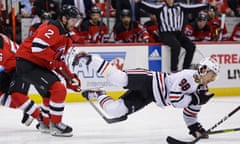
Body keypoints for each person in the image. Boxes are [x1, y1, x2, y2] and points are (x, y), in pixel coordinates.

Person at [73, 52, 220, 138]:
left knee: (114, 111)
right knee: (119, 78)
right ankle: (90, 59)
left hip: (151, 96)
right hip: (149, 80)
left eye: (215, 77)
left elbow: (190, 110)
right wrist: (194, 99)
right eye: (212, 74)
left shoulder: (201, 90)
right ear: (204, 70)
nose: (213, 79)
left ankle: (99, 93)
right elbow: (175, 99)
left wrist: (194, 126)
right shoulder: (191, 77)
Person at [9, 5, 81, 137]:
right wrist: (56, 61)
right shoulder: (53, 28)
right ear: (64, 19)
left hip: (38, 65)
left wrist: (70, 78)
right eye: (72, 20)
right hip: (28, 63)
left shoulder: (66, 37)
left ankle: (45, 123)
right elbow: (37, 48)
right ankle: (56, 125)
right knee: (58, 89)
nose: (75, 24)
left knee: (49, 93)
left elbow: (59, 62)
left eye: (76, 21)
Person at [135, 0, 210, 72]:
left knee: (191, 46)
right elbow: (149, 7)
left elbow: (194, 7)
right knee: (176, 45)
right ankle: (174, 69)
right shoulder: (161, 8)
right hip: (166, 33)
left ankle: (186, 68)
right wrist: (139, 2)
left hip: (178, 33)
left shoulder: (180, 7)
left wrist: (207, 5)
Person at [0, 33, 40, 126]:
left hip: (23, 66)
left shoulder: (1, 44)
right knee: (2, 97)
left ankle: (43, 119)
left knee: (18, 96)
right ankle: (28, 108)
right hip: (9, 68)